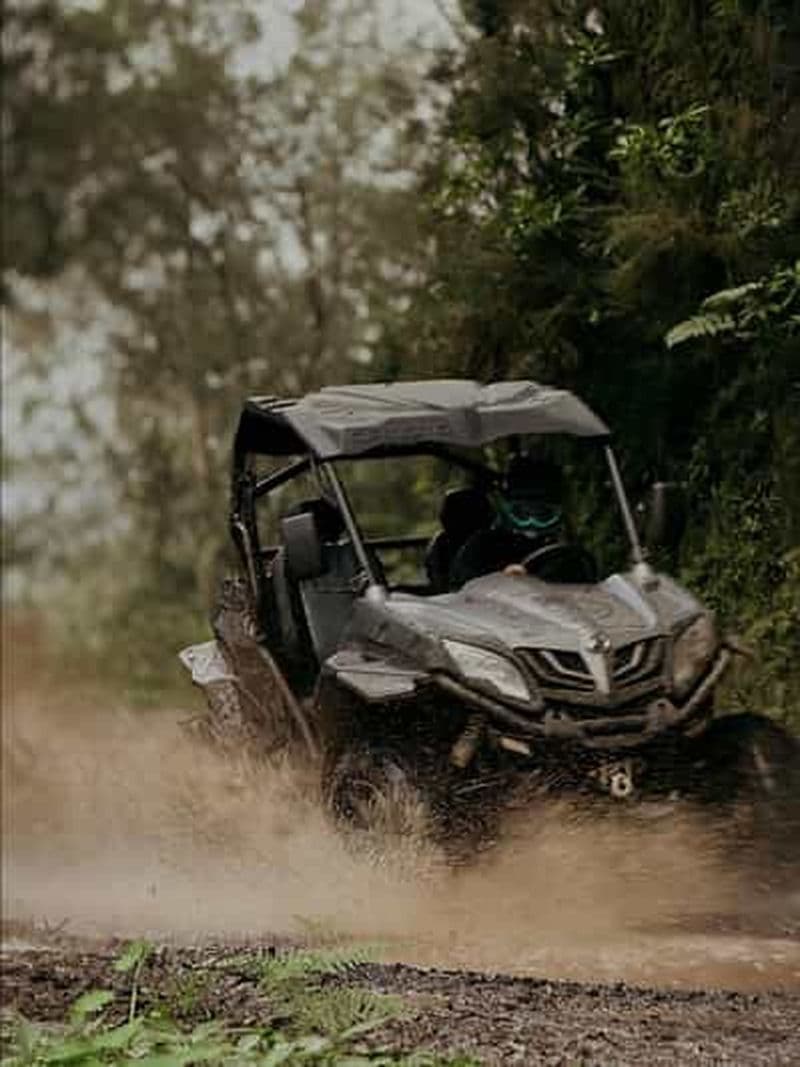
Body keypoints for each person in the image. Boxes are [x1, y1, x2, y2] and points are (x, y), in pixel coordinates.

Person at [448, 454, 565, 588]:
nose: (532, 523)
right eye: (522, 513)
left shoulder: (563, 555)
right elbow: (461, 597)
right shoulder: (480, 549)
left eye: (543, 515)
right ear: (505, 510)